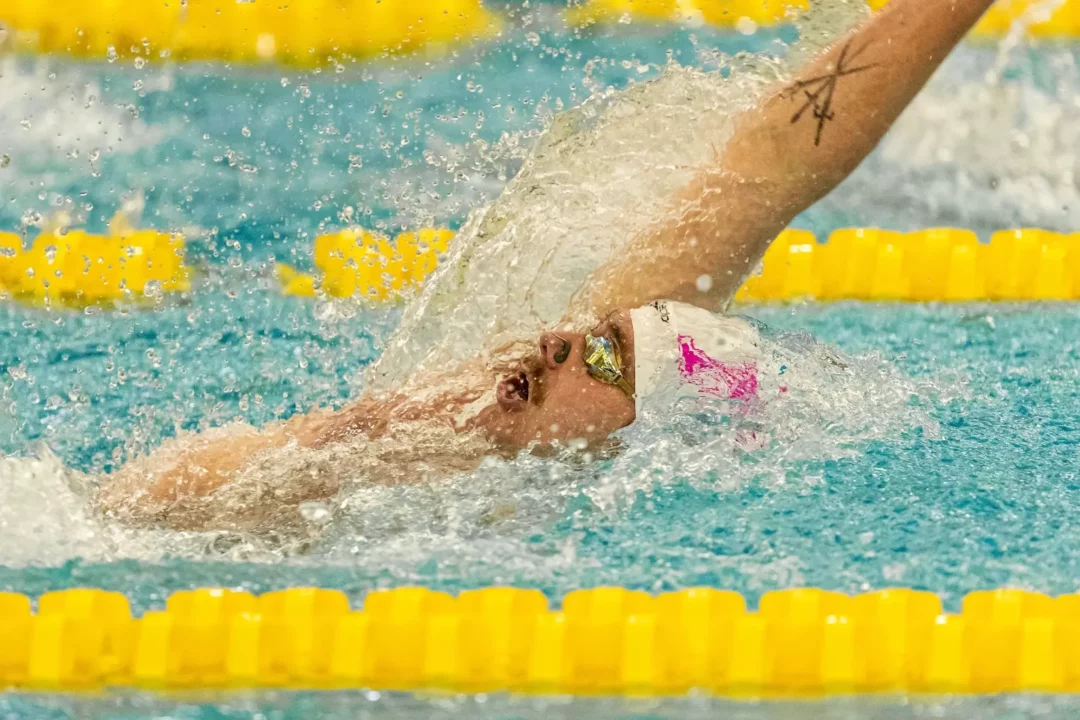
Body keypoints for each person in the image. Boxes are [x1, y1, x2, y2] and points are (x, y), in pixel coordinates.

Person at [91, 0, 996, 533]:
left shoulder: (489, 525)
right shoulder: (481, 409)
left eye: (606, 357)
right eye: (597, 333)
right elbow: (767, 166)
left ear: (639, 436)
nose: (565, 340)